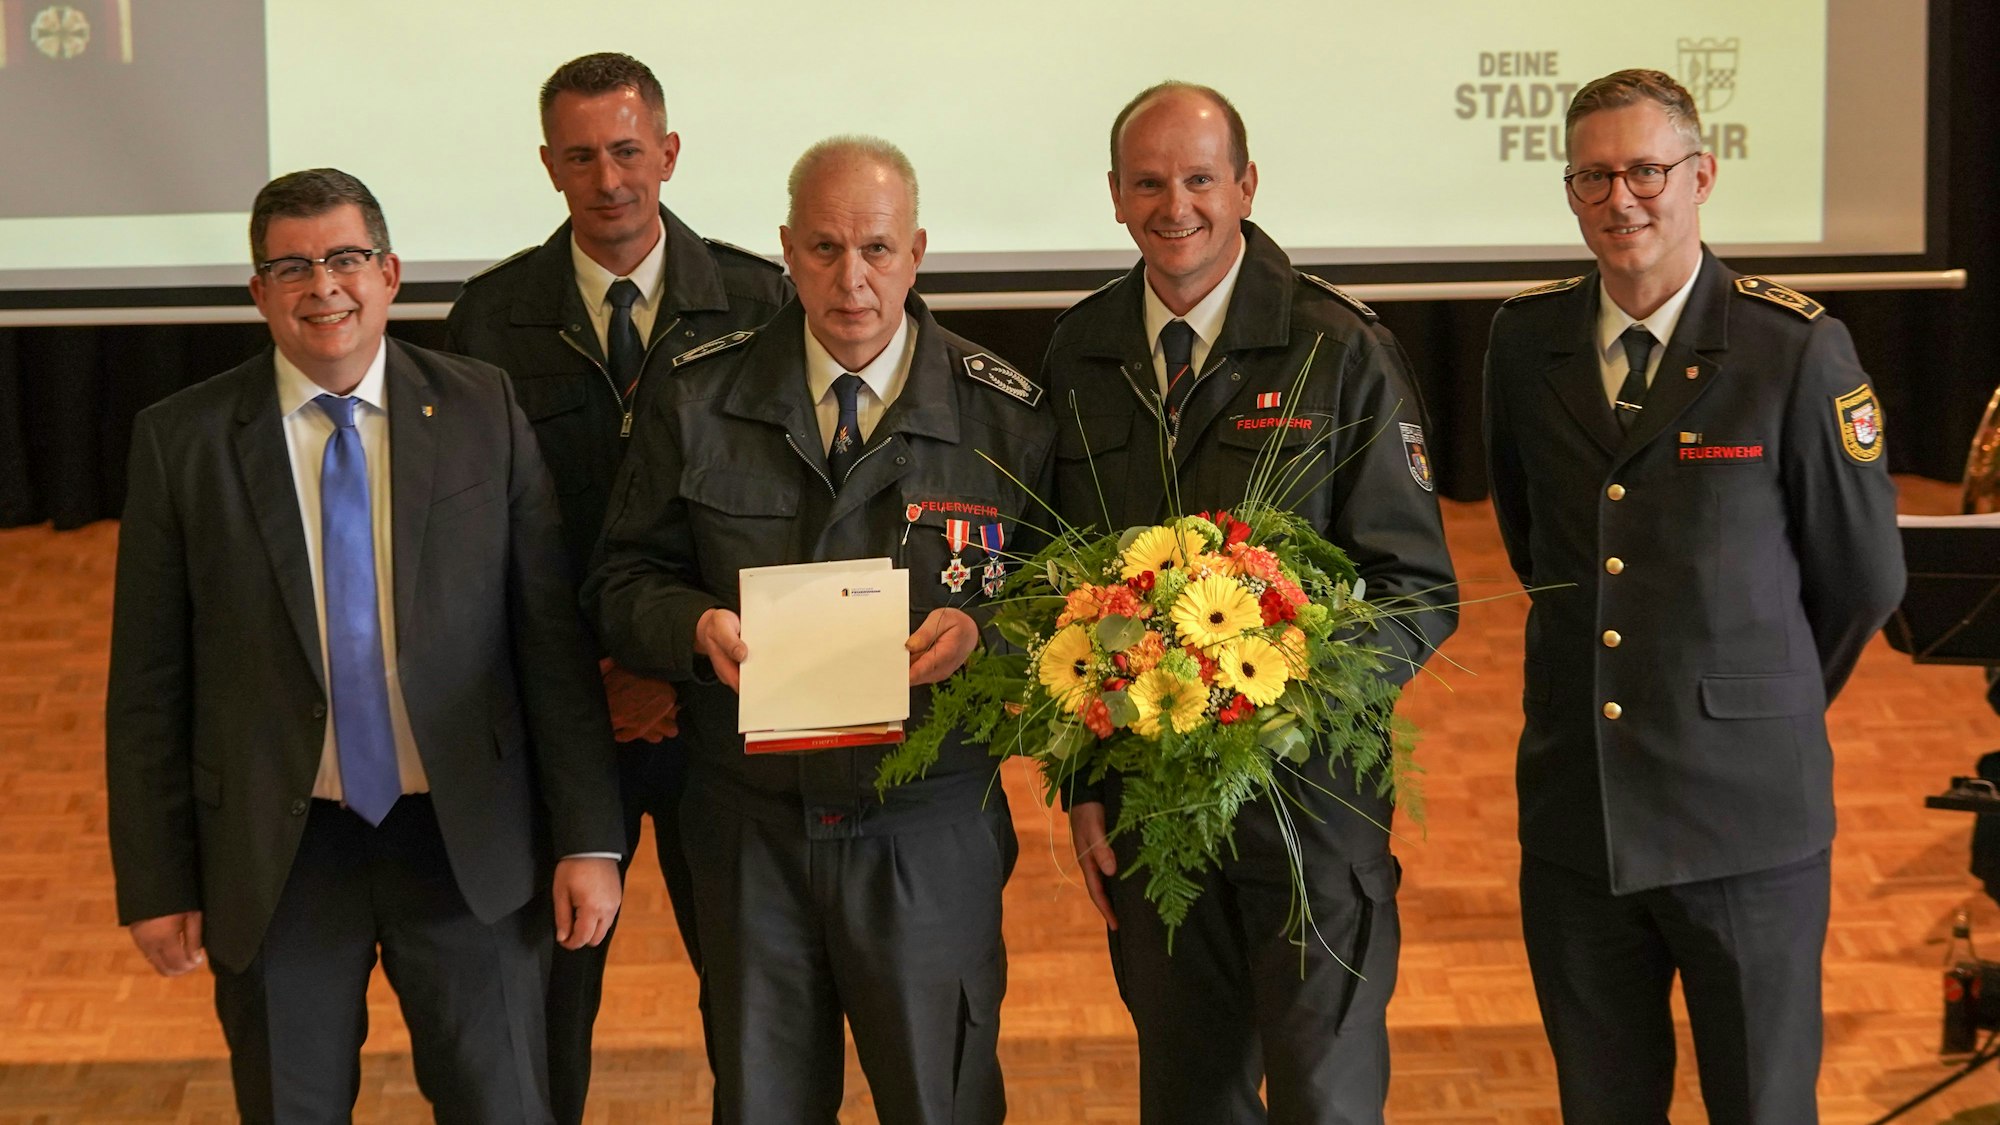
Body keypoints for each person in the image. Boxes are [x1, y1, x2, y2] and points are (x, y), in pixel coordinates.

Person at [105, 168, 626, 1122]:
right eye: (292, 267)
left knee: (506, 1103)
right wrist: (156, 878)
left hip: (465, 840)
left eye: (345, 258)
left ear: (389, 273)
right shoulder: (182, 442)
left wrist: (589, 835)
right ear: (259, 291)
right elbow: (147, 685)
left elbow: (550, 642)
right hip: (281, 851)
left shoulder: (481, 408)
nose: (323, 286)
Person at [585, 135, 1053, 1125]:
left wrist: (985, 640)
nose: (852, 280)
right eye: (826, 249)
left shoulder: (1006, 417)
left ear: (915, 252)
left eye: (877, 249)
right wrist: (692, 625)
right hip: (751, 825)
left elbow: (1063, 609)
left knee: (941, 1101)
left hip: (926, 823)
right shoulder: (696, 395)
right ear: (788, 252)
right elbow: (622, 580)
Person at [1482, 69, 1905, 1123]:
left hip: (1745, 823)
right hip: (1579, 815)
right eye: (1591, 176)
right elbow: (1534, 543)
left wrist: (1754, 698)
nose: (1619, 198)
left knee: (1761, 1106)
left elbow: (1862, 575)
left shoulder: (1792, 347)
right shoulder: (1523, 341)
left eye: (1645, 170)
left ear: (1700, 176)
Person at [1042, 82, 1459, 1124]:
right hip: (1150, 814)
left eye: (1199, 178)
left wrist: (1275, 700)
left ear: (1245, 186)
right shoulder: (1079, 351)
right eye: (1148, 183)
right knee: (1189, 1096)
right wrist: (1083, 783)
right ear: (1113, 195)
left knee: (1325, 1097)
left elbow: (1415, 590)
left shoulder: (1337, 347)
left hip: (1309, 806)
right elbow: (1064, 599)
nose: (1173, 206)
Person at [442, 51, 791, 1122]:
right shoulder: (489, 318)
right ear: (550, 165)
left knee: (751, 994)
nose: (608, 179)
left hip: (717, 711)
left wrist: (669, 670)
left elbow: (789, 518)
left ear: (668, 153)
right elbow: (472, 544)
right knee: (548, 998)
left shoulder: (760, 299)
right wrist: (589, 680)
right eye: (582, 156)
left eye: (628, 151)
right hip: (559, 718)